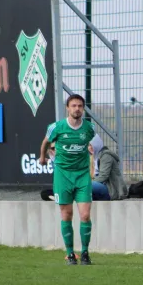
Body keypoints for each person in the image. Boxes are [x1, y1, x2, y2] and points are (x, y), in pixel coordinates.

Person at [39, 94, 96, 266]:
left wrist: (90, 153)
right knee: (67, 214)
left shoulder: (89, 128)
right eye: (74, 106)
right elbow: (45, 142)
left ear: (83, 108)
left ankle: (85, 252)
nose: (77, 109)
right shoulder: (57, 127)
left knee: (85, 214)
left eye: (80, 106)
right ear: (68, 108)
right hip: (63, 175)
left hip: (82, 175)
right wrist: (42, 157)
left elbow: (90, 145)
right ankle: (70, 254)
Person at [89, 134, 129, 201]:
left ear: (96, 144)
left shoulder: (106, 156)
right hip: (102, 186)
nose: (89, 148)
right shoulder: (94, 157)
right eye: (88, 145)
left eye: (91, 145)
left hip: (111, 189)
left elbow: (103, 176)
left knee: (85, 185)